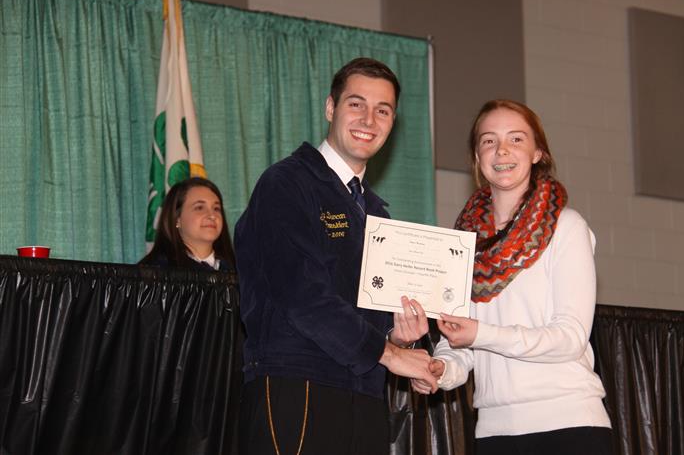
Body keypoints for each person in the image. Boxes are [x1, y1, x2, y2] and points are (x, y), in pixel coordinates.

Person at [234, 57, 436, 455]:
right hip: (298, 383)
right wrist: (390, 354)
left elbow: (365, 310)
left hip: (364, 391)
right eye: (356, 104)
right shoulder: (286, 183)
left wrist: (397, 335)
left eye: (383, 110)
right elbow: (302, 295)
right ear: (331, 107)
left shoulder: (376, 213)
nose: (368, 120)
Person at [412, 99, 612, 454]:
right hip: (494, 431)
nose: (501, 149)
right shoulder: (463, 242)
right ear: (477, 157)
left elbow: (570, 338)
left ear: (538, 153)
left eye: (516, 139)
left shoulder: (567, 227)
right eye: (489, 140)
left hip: (570, 425)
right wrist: (442, 368)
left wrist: (481, 333)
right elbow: (463, 341)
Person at [140, 177, 235, 271]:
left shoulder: (238, 269)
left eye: (216, 208)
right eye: (200, 208)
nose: (212, 216)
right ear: (177, 219)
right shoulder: (152, 271)